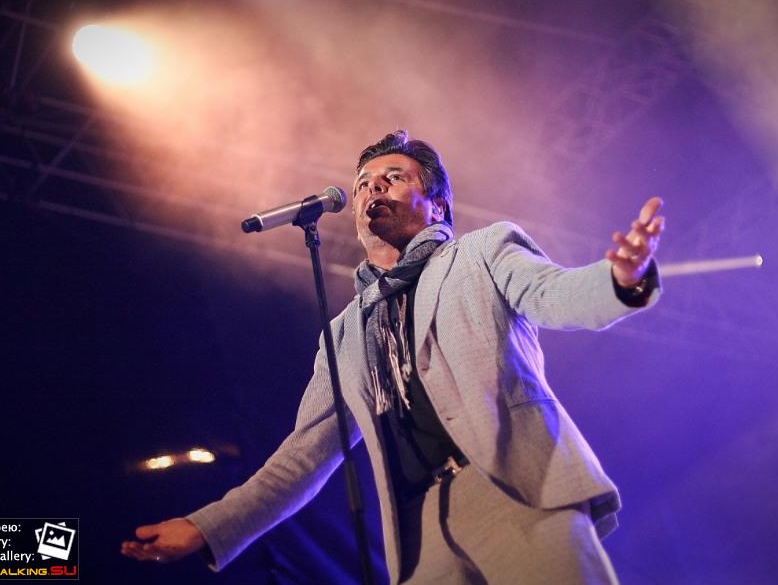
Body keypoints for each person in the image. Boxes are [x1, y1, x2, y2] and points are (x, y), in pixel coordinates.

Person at [122, 130, 665, 583]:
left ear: (438, 205)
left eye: (394, 177)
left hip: (517, 490)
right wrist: (206, 527)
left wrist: (622, 279)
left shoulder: (482, 252)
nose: (373, 186)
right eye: (364, 182)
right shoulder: (344, 334)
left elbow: (554, 294)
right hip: (423, 535)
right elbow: (302, 457)